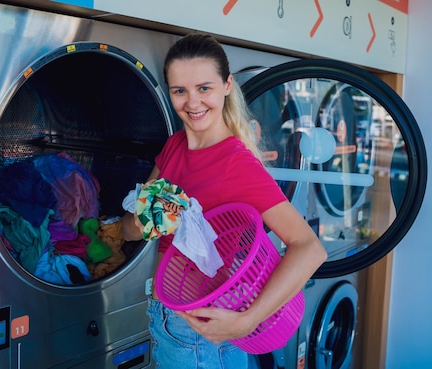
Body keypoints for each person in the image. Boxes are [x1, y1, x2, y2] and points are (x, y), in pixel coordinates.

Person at [121, 33, 327, 369]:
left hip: (201, 337)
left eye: (204, 88)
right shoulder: (175, 146)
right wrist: (147, 217)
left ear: (227, 85)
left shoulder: (236, 165)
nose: (193, 103)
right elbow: (132, 232)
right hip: (168, 321)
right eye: (180, 91)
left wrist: (247, 321)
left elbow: (309, 248)